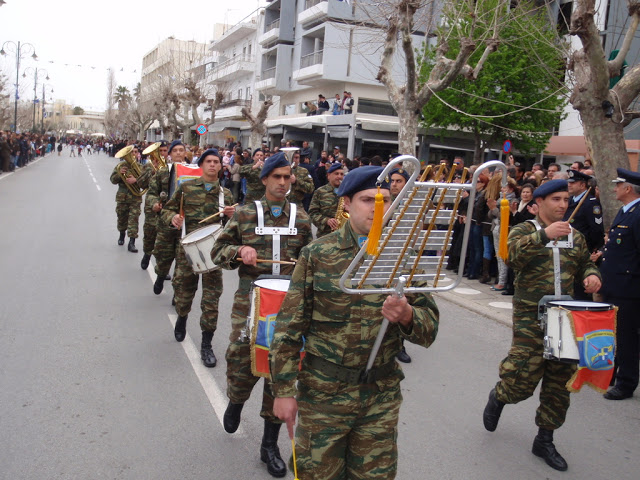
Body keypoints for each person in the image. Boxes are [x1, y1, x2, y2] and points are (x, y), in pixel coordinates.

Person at [270, 166, 440, 480]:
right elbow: (289, 327)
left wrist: (406, 315)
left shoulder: (405, 257)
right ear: (346, 203)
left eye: (387, 200)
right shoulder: (318, 255)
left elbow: (429, 330)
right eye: (368, 200)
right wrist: (282, 390)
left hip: (380, 397)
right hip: (323, 397)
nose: (380, 209)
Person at [482, 179, 601, 472]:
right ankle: (500, 395)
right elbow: (511, 258)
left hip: (566, 318)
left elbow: (586, 262)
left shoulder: (575, 235)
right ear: (540, 203)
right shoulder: (525, 230)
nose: (563, 205)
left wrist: (592, 275)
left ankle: (545, 439)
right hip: (531, 317)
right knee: (522, 378)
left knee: (560, 383)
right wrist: (544, 236)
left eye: (565, 200)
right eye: (556, 200)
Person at [210, 152, 313, 478]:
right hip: (251, 304)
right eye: (277, 177)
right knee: (241, 360)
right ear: (265, 179)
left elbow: (313, 263)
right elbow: (217, 252)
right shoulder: (244, 214)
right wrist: (239, 251)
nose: (283, 182)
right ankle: (236, 401)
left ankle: (269, 445)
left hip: (288, 308)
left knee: (279, 370)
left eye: (287, 176)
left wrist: (305, 269)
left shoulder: (303, 219)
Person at [161, 149, 235, 367]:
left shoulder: (226, 195)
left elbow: (233, 228)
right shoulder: (186, 188)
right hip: (188, 253)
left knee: (211, 301)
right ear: (201, 165)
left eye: (216, 162)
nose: (212, 165)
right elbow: (167, 210)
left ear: (220, 167)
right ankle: (182, 317)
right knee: (184, 294)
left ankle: (206, 345)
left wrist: (232, 217)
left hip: (214, 254)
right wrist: (173, 217)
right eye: (208, 162)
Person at [598, 168, 640, 400]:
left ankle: (626, 382)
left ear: (628, 189)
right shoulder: (627, 211)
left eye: (618, 185)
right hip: (615, 283)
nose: (614, 189)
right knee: (614, 334)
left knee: (626, 337)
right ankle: (612, 373)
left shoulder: (638, 213)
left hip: (629, 287)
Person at [152, 140, 188, 294]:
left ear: (185, 153)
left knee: (182, 263)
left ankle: (177, 294)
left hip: (186, 224)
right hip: (166, 222)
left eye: (181, 150)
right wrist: (154, 204)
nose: (179, 153)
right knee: (163, 256)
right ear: (170, 154)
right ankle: (160, 276)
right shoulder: (162, 172)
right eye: (175, 151)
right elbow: (152, 193)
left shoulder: (194, 172)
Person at [564, 169, 604, 300]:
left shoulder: (590, 203)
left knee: (580, 294)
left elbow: (596, 231)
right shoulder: (569, 201)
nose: (569, 185)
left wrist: (591, 249)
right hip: (566, 251)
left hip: (582, 252)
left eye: (573, 183)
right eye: (569, 182)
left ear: (583, 185)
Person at [138, 141, 169, 271]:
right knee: (150, 234)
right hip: (151, 207)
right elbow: (141, 183)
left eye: (164, 151)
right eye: (159, 151)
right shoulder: (148, 166)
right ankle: (147, 253)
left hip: (166, 208)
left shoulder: (171, 167)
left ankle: (160, 267)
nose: (162, 154)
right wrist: (151, 171)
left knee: (163, 239)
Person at [109, 146, 143, 252]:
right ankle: (122, 234)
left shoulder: (141, 167)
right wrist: (120, 175)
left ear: (138, 154)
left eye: (135, 152)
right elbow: (112, 180)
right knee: (122, 218)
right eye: (131, 152)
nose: (133, 154)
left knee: (134, 220)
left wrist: (136, 180)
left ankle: (132, 242)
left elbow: (147, 182)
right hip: (122, 198)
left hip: (135, 198)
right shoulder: (120, 166)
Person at [309, 163, 345, 237]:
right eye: (336, 174)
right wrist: (326, 221)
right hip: (325, 236)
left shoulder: (347, 193)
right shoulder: (320, 192)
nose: (339, 177)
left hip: (344, 235)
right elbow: (312, 213)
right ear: (328, 176)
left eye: (342, 174)